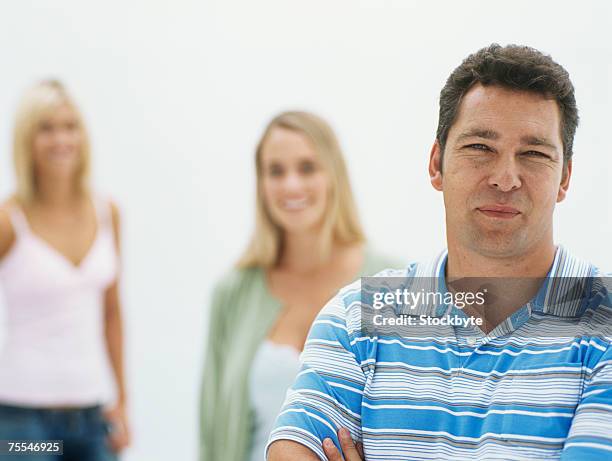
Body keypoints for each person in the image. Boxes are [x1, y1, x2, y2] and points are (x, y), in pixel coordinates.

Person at [267, 44, 612, 460]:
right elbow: (291, 450)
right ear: (437, 164)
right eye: (480, 147)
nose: (505, 179)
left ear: (565, 178)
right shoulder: (357, 317)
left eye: (534, 154)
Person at [199, 111, 399, 461]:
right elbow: (212, 430)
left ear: (333, 176)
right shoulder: (232, 293)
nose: (291, 185)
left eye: (307, 167)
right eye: (275, 171)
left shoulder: (392, 282)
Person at [0, 80, 130, 460]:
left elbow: (112, 312)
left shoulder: (107, 213)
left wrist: (122, 400)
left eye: (70, 126)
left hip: (93, 417)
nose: (61, 139)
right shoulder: (10, 220)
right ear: (27, 139)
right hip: (22, 421)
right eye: (47, 128)